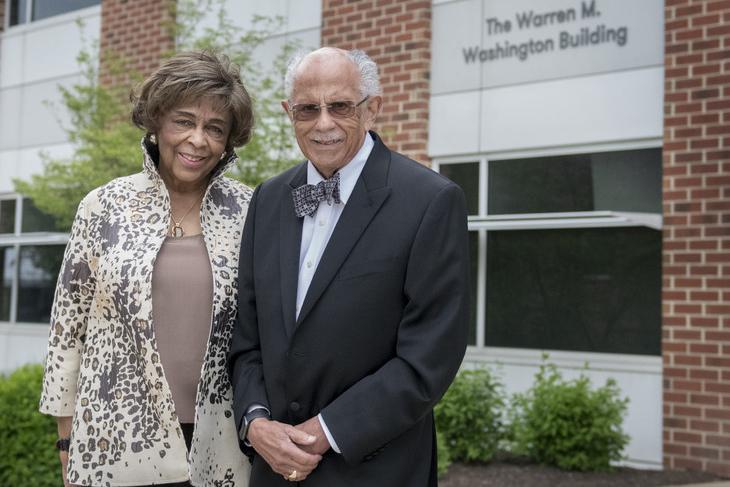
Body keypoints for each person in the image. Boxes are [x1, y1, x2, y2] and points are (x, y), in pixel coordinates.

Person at [228, 47, 469, 486]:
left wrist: (324, 432)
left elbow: (429, 356)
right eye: (307, 109)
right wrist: (256, 422)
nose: (323, 124)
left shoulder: (430, 201)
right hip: (272, 469)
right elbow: (246, 338)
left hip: (375, 468)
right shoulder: (267, 199)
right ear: (289, 112)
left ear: (372, 109)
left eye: (339, 106)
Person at [39, 51, 253, 487]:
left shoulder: (250, 211)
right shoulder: (102, 206)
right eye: (184, 121)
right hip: (114, 440)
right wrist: (67, 444)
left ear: (228, 141)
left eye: (215, 128)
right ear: (156, 123)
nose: (198, 140)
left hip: (222, 444)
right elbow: (67, 333)